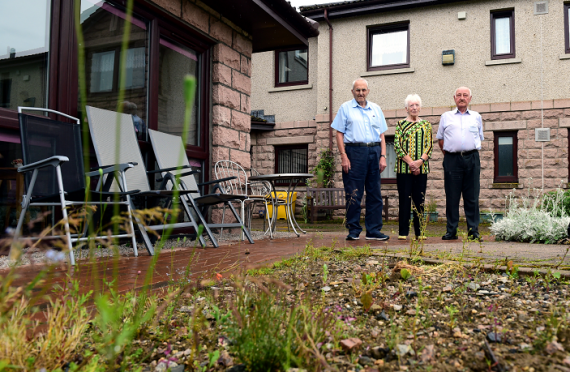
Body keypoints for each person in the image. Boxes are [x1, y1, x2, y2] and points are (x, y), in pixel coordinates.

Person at [331, 78, 389, 241]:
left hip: (374, 151)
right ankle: (354, 229)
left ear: (368, 91)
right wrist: (344, 156)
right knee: (353, 193)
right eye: (358, 90)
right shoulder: (345, 108)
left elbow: (382, 134)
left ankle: (373, 230)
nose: (361, 93)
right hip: (354, 152)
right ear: (352, 92)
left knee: (374, 193)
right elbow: (339, 133)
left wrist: (383, 156)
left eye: (364, 90)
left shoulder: (376, 109)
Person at [436, 87, 484, 241]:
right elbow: (440, 139)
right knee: (452, 196)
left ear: (470, 98)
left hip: (472, 158)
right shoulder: (446, 116)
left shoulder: (476, 117)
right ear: (454, 98)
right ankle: (451, 231)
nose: (462, 98)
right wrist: (451, 153)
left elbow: (479, 137)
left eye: (465, 95)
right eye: (459, 95)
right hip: (452, 160)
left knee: (472, 197)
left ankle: (473, 231)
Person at [394, 94, 433, 241]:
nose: (414, 108)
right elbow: (397, 146)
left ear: (420, 107)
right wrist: (411, 162)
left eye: (417, 105)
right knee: (404, 199)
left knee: (419, 200)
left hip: (421, 169)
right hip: (404, 170)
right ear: (406, 108)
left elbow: (429, 146)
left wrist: (419, 162)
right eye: (411, 105)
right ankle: (403, 232)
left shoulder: (427, 125)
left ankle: (419, 233)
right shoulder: (400, 124)